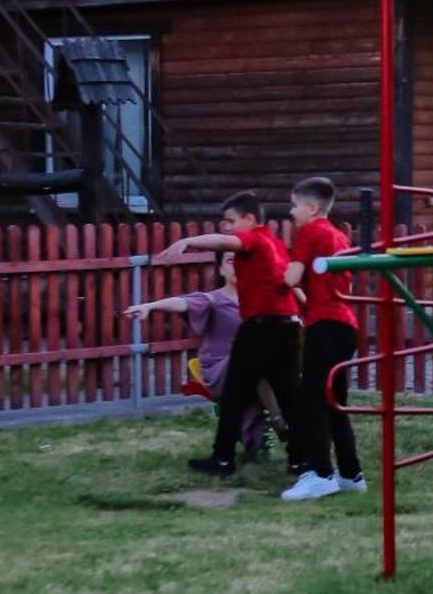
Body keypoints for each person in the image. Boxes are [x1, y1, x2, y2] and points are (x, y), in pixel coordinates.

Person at [152, 192, 301, 477]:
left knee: (233, 393)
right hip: (286, 324)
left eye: (230, 221)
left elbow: (225, 242)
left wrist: (187, 241)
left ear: (250, 219)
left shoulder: (254, 238)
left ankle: (222, 459)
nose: (226, 227)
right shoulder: (275, 243)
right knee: (287, 393)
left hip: (261, 326)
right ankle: (299, 460)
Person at [124, 251, 284, 460]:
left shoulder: (263, 301)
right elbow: (183, 302)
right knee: (255, 358)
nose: (237, 266)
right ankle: (281, 421)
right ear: (221, 269)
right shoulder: (214, 300)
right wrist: (150, 306)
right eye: (230, 261)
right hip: (220, 370)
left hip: (256, 370)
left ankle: (269, 433)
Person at [280, 176, 365, 503]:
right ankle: (350, 473)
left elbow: (291, 278)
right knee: (335, 401)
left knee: (311, 400)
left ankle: (320, 474)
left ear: (312, 208)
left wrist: (279, 274)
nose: (291, 212)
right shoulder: (338, 236)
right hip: (345, 324)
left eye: (295, 205)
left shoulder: (310, 232)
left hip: (324, 324)